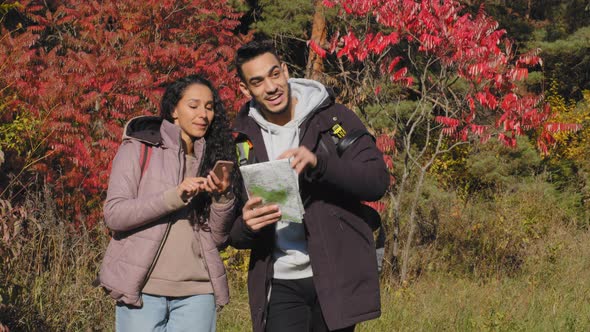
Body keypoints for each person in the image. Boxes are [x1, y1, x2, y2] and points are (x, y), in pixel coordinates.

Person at [229, 40, 389, 332]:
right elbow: (232, 231)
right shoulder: (241, 140)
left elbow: (376, 181)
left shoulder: (334, 119)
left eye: (275, 74)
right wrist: (247, 226)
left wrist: (321, 164)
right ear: (245, 90)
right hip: (278, 283)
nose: (271, 86)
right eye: (258, 81)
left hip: (335, 277)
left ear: (286, 71)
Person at [96, 74, 239, 331]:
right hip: (142, 289)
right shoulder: (140, 147)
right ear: (174, 109)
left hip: (198, 291)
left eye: (209, 107)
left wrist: (222, 197)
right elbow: (114, 214)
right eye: (193, 106)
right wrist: (174, 196)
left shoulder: (213, 156)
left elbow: (217, 238)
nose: (203, 114)